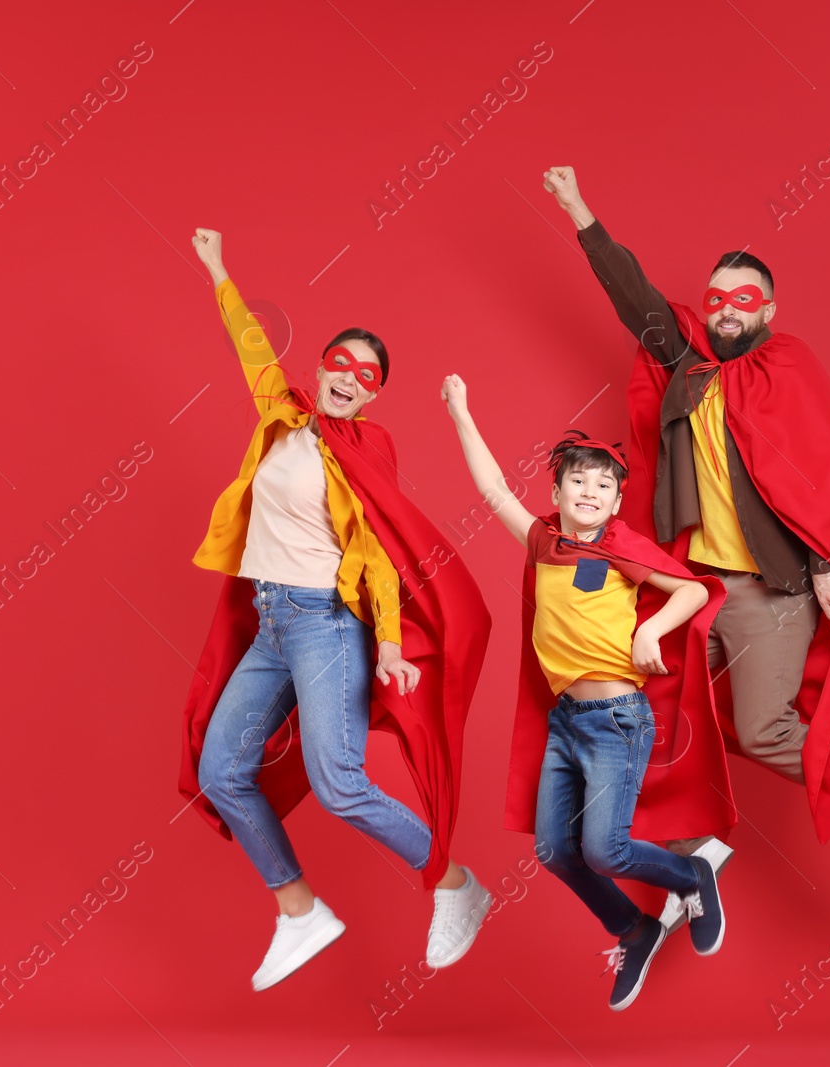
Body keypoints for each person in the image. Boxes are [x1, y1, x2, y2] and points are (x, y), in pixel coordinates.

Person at [543, 167, 830, 921]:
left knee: (763, 729)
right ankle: (693, 854)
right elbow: (636, 301)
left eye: (743, 299)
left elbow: (819, 470)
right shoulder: (687, 365)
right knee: (644, 709)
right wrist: (579, 212)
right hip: (701, 585)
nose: (726, 310)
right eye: (716, 297)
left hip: (774, 589)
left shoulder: (789, 367)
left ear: (769, 308)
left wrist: (827, 562)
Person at [179, 229, 492, 991]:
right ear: (319, 368)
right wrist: (221, 268)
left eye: (368, 375)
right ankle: (300, 910)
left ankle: (454, 884)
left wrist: (387, 643)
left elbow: (381, 552)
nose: (350, 379)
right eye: (341, 364)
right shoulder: (283, 414)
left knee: (340, 781)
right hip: (273, 626)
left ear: (376, 391)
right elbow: (251, 345)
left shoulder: (364, 447)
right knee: (221, 768)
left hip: (326, 623)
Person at [442, 373, 730, 1011]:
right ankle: (636, 928)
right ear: (557, 491)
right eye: (579, 481)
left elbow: (691, 590)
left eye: (604, 485)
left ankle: (693, 874)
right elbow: (491, 489)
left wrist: (651, 628)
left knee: (605, 848)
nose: (591, 491)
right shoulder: (545, 540)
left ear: (617, 500)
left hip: (616, 720)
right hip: (566, 723)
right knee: (553, 850)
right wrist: (462, 410)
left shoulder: (623, 547)